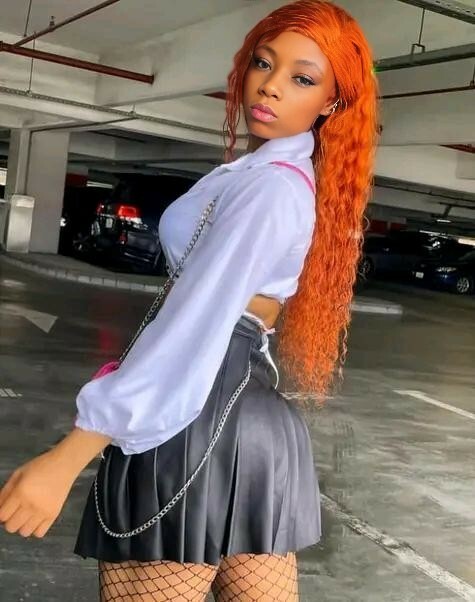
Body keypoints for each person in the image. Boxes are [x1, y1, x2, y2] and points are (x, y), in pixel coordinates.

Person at [0, 1, 378, 599]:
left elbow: (194, 325)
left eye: (302, 79)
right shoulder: (269, 177)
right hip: (253, 422)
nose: (271, 86)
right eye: (264, 63)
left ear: (331, 103)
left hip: (197, 416)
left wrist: (70, 455)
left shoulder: (270, 188)